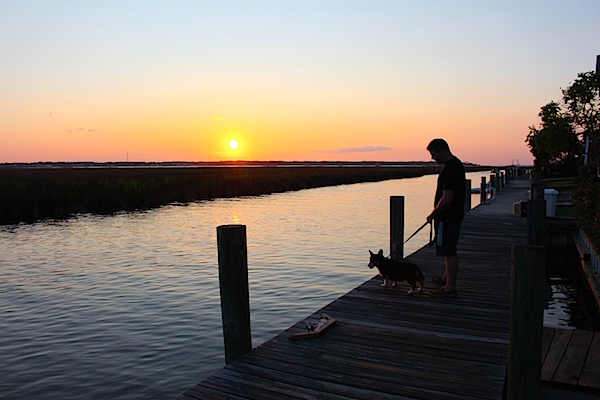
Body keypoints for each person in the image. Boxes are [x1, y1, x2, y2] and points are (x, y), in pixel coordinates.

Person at [425, 138, 466, 298]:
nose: (432, 158)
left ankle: (449, 288)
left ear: (442, 151)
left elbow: (447, 197)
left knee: (449, 251)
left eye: (433, 154)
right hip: (453, 216)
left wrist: (433, 213)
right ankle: (446, 278)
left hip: (448, 217)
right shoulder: (456, 165)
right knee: (448, 249)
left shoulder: (450, 169)